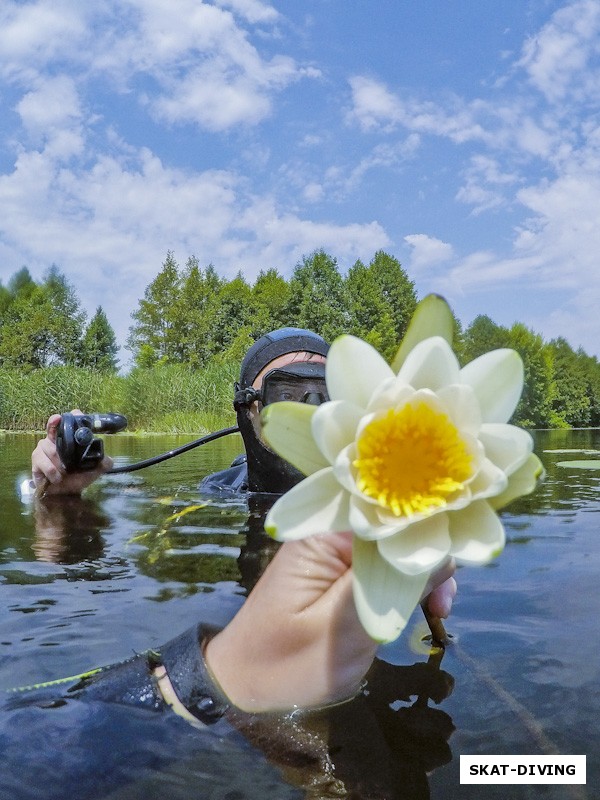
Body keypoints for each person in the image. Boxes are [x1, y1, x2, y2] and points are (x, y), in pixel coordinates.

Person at [24, 327, 457, 725]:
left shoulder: (387, 509)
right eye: (287, 397)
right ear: (249, 411)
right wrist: (61, 502)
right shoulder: (213, 494)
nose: (310, 418)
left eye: (328, 398)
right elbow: (94, 541)